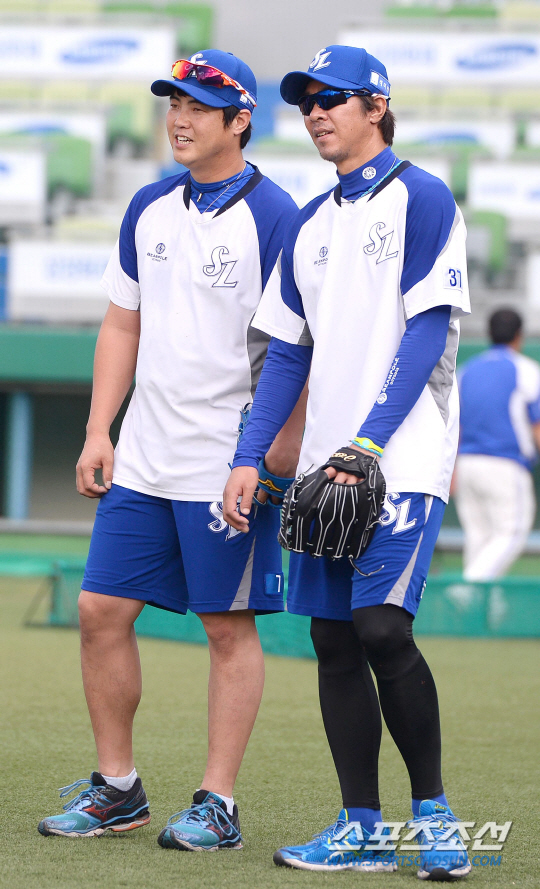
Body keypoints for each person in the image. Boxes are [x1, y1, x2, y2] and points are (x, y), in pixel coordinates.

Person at [38, 49, 302, 850]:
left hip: (228, 460)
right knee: (99, 610)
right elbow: (123, 323)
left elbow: (296, 349)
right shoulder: (148, 206)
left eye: (196, 106)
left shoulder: (277, 216)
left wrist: (269, 454)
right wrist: (99, 429)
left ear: (240, 119)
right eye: (172, 104)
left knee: (225, 626)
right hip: (144, 457)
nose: (179, 120)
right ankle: (118, 788)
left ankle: (217, 802)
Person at [224, 44, 473, 880]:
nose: (316, 112)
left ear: (377, 107)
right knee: (332, 638)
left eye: (333, 97)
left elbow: (428, 328)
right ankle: (362, 825)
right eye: (306, 101)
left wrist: (366, 442)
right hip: (321, 468)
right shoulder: (308, 224)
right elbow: (286, 357)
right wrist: (251, 456)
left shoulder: (423, 197)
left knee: (381, 628)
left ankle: (433, 814)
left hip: (401, 456)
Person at [455, 308, 540, 580]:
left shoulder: (466, 371)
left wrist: (452, 470)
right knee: (511, 533)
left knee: (478, 538)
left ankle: (479, 606)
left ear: (489, 333)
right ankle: (466, 590)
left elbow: (455, 426)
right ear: (519, 335)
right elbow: (537, 426)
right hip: (505, 464)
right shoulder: (526, 370)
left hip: (466, 464)